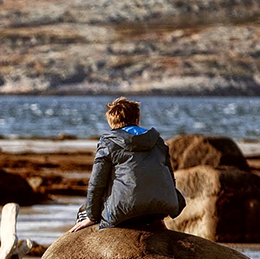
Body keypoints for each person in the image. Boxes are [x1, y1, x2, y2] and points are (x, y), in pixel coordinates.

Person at [69, 97, 185, 233]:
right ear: (137, 120)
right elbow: (170, 179)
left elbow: (96, 184)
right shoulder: (157, 141)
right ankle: (156, 221)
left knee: (83, 212)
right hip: (162, 209)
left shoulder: (109, 143)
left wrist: (92, 217)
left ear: (112, 123)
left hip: (125, 214)